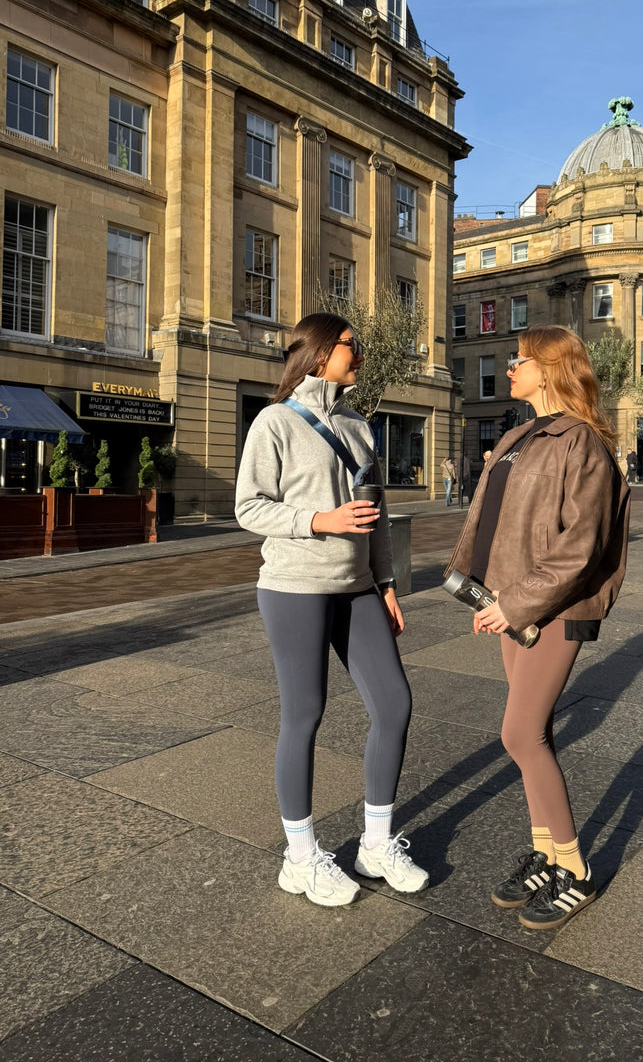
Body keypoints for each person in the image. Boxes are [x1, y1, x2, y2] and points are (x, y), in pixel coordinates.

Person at [235, 312, 427, 907]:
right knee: (305, 714)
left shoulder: (358, 425)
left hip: (358, 586)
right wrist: (318, 520)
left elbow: (378, 513)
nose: (359, 353)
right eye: (350, 344)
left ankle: (375, 842)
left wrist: (387, 582)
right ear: (319, 352)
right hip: (294, 585)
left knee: (394, 704)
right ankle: (300, 857)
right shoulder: (274, 422)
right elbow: (248, 507)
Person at [445, 326, 630, 930]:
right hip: (511, 604)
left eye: (519, 359)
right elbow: (489, 520)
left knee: (519, 735)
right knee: (536, 736)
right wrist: (475, 584)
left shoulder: (584, 444)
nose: (509, 366)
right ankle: (546, 856)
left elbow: (582, 547)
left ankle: (574, 870)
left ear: (550, 368)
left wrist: (516, 603)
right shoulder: (520, 436)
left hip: (552, 609)